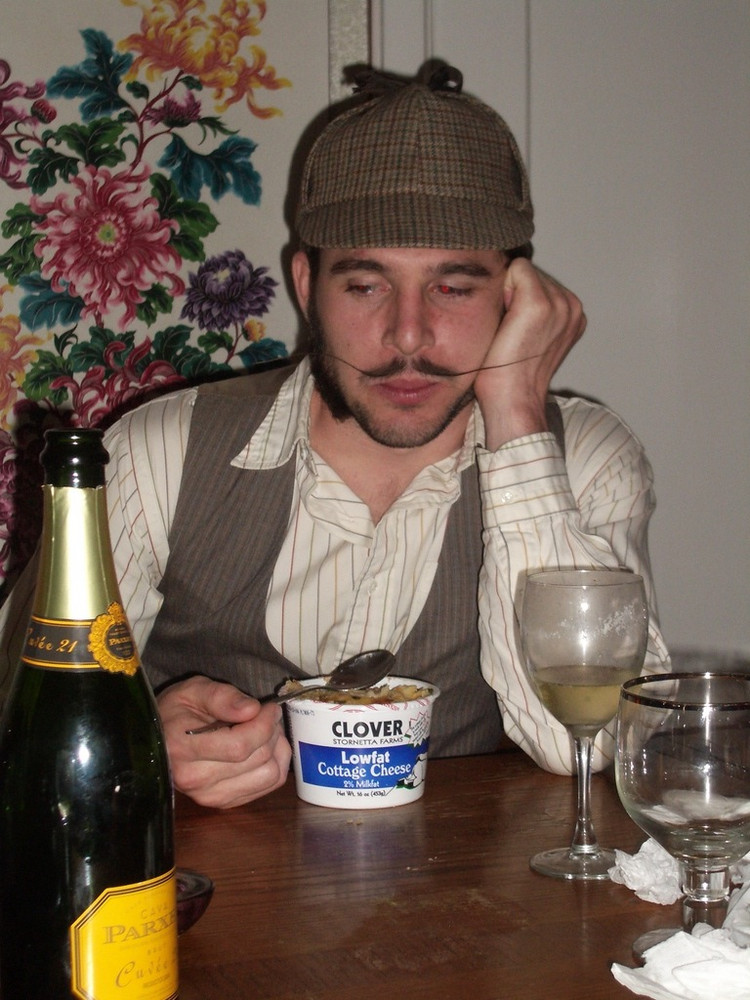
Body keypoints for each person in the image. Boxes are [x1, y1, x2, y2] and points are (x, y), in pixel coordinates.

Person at [0, 63, 669, 809]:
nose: (408, 334)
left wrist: (517, 420)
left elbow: (594, 747)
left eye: (454, 287)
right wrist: (139, 742)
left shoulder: (587, 463)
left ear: (518, 299)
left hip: (472, 883)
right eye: (364, 284)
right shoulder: (159, 453)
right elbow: (18, 724)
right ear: (304, 285)